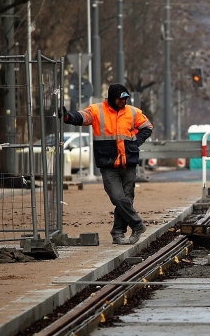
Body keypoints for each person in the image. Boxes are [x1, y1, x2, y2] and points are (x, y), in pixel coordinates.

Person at [63, 83, 153, 245]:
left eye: (125, 98)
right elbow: (82, 117)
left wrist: (135, 143)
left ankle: (118, 233)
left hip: (129, 161)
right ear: (112, 97)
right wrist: (67, 117)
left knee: (127, 198)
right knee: (118, 197)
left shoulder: (133, 112)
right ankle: (137, 224)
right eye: (120, 98)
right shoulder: (97, 110)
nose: (123, 101)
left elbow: (147, 127)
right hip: (108, 162)